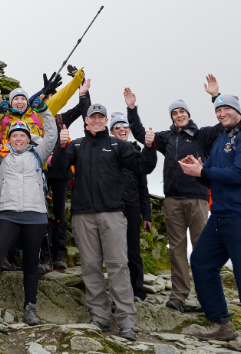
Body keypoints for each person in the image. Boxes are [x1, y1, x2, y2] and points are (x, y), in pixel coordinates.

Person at [52, 103, 156, 341]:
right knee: (90, 266)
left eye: (101, 117)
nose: (97, 120)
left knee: (119, 265)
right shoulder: (76, 145)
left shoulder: (119, 145)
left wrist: (149, 147)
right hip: (82, 214)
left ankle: (126, 321)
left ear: (106, 121)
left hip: (112, 214)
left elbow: (144, 166)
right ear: (86, 121)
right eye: (93, 117)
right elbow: (58, 170)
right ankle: (100, 317)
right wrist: (60, 145)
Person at [124, 75, 223, 312]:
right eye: (175, 113)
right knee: (176, 250)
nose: (179, 115)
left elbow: (224, 126)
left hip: (198, 199)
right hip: (172, 201)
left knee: (202, 249)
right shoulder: (166, 137)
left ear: (188, 114)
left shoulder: (203, 135)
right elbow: (140, 134)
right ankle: (179, 296)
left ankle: (206, 298)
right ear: (171, 117)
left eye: (182, 112)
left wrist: (215, 97)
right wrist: (132, 109)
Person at [180, 95, 241, 354]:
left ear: (237, 110)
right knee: (201, 261)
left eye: (227, 108)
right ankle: (222, 324)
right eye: (218, 109)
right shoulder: (222, 140)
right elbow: (210, 178)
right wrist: (198, 170)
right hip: (220, 215)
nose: (222, 113)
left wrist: (204, 172)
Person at [0, 101, 57, 325]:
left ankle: (30, 307)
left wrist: (44, 111)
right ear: (8, 138)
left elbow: (52, 134)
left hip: (36, 215)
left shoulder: (39, 153)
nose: (18, 139)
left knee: (30, 263)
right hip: (8, 213)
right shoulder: (1, 154)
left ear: (29, 139)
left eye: (22, 135)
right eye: (14, 135)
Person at [43, 78, 92, 271]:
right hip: (42, 172)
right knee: (42, 213)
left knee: (59, 213)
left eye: (54, 98)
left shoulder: (62, 118)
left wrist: (83, 92)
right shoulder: (35, 119)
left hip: (62, 172)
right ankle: (44, 255)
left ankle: (58, 254)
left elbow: (84, 110)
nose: (50, 101)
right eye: (47, 99)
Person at [109, 112, 155, 301]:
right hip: (111, 206)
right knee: (114, 250)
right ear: (111, 131)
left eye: (124, 126)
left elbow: (144, 187)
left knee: (133, 250)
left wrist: (147, 215)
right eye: (117, 126)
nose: (122, 129)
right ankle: (117, 290)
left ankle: (137, 290)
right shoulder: (107, 151)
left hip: (133, 206)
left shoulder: (137, 152)